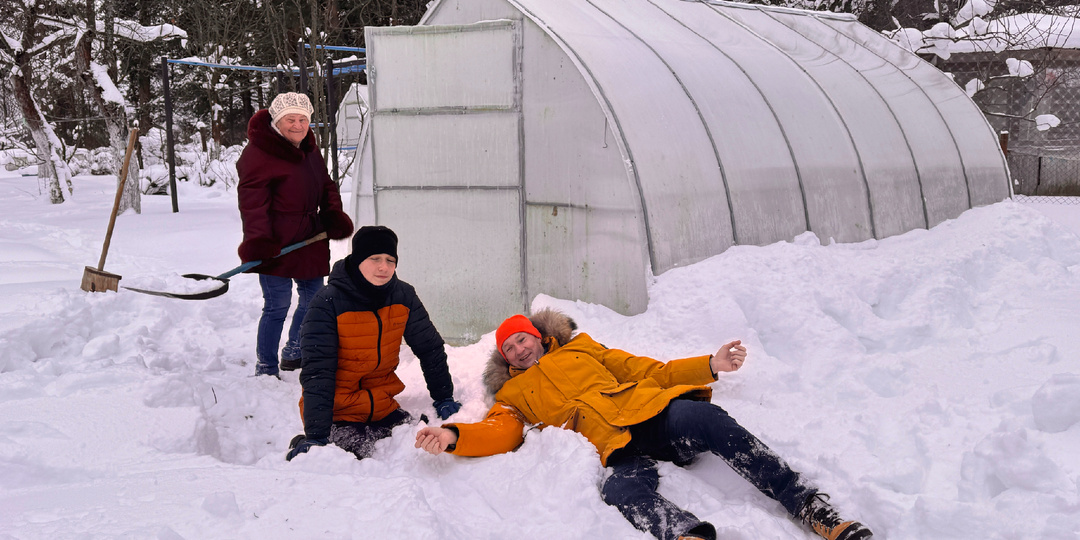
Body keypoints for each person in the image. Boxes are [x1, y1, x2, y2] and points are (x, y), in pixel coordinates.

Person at [415, 309, 873, 540]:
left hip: (649, 415)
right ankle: (686, 535)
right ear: (504, 357)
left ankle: (808, 505)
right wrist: (453, 435)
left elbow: (645, 370)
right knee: (620, 491)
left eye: (522, 338)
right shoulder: (512, 394)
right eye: (509, 347)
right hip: (614, 446)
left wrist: (708, 365)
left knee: (706, 418)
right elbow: (502, 430)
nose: (517, 349)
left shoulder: (582, 349)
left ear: (538, 336)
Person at [286, 225, 463, 461]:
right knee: (360, 459)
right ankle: (310, 441)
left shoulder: (404, 296)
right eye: (375, 258)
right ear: (358, 259)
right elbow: (318, 372)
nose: (384, 267)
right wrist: (316, 435)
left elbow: (429, 348)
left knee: (414, 443)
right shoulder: (327, 302)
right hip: (338, 411)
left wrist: (444, 396)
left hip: (382, 406)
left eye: (391, 260)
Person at [236, 92, 354, 377]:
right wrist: (260, 241)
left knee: (314, 299)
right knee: (277, 305)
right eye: (291, 119)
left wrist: (332, 215)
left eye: (303, 119)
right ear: (277, 121)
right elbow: (252, 204)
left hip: (310, 237)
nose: (298, 125)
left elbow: (326, 185)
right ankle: (266, 365)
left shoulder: (310, 148)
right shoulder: (258, 153)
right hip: (275, 240)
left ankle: (294, 350)